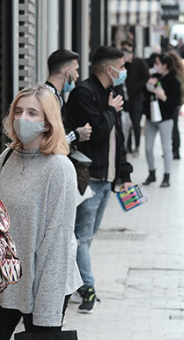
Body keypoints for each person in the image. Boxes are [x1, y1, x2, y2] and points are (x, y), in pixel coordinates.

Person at [0, 85, 80, 339]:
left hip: (44, 282)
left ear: (48, 123)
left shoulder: (59, 168)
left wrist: (46, 311)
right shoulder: (6, 157)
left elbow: (57, 243)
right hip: (5, 279)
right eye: (18, 112)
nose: (22, 119)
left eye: (32, 113)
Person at [64, 46, 134, 313]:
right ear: (109, 69)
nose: (124, 72)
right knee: (81, 236)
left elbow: (118, 138)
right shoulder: (83, 93)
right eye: (122, 67)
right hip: (89, 177)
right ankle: (87, 287)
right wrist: (110, 110)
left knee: (88, 236)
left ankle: (75, 283)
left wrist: (125, 174)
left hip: (107, 178)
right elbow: (98, 132)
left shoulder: (111, 94)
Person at [143, 52, 183, 186]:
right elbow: (144, 93)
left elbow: (176, 101)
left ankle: (166, 176)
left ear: (165, 65)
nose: (155, 66)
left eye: (158, 63)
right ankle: (151, 172)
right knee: (148, 147)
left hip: (165, 118)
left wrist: (164, 98)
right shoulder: (154, 77)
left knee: (166, 147)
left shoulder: (174, 82)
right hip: (151, 116)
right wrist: (148, 85)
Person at [45, 49, 91, 144]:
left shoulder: (55, 96)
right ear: (67, 72)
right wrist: (76, 135)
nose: (77, 76)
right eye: (76, 70)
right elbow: (50, 141)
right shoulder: (48, 98)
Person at [122, 47, 150, 155]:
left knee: (136, 122)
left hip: (137, 97)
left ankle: (137, 146)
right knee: (127, 122)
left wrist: (138, 87)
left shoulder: (138, 62)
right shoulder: (124, 65)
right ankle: (128, 146)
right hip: (126, 97)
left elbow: (146, 76)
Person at [165, 50, 184, 160]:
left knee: (173, 127)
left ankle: (175, 150)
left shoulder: (174, 73)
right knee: (174, 127)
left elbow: (182, 89)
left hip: (174, 103)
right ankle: (174, 149)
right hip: (176, 103)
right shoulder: (181, 71)